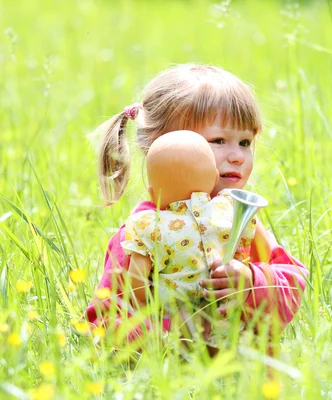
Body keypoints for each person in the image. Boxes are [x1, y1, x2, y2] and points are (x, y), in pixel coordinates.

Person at [85, 64, 307, 347]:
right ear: (162, 146)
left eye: (245, 142)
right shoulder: (139, 234)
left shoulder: (240, 221)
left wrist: (251, 282)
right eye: (218, 140)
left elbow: (294, 284)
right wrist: (166, 339)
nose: (238, 156)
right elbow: (105, 319)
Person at [121, 130, 257, 321]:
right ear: (215, 179)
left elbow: (137, 281)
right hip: (225, 315)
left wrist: (146, 309)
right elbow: (245, 249)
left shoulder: (149, 226)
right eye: (218, 140)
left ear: (152, 193)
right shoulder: (228, 208)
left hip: (175, 319)